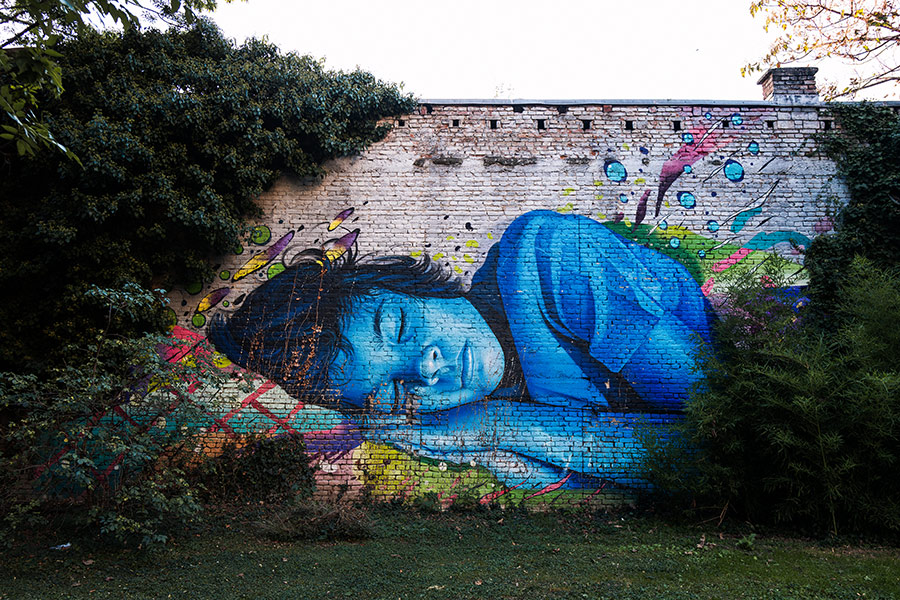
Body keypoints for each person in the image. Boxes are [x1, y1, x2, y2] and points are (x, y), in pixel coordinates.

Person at [208, 210, 713, 489]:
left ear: (418, 287)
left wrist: (502, 426)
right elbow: (631, 479)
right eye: (394, 389)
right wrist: (490, 438)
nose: (426, 369)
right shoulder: (462, 420)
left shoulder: (549, 259)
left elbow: (730, 439)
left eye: (398, 325)